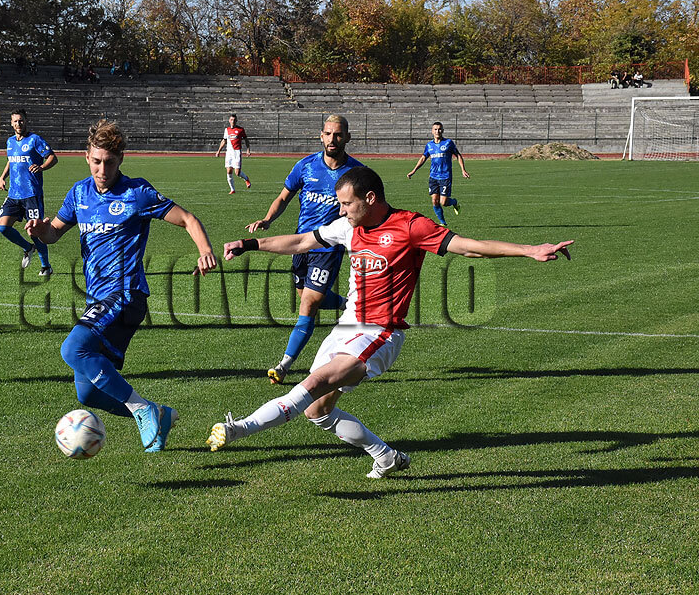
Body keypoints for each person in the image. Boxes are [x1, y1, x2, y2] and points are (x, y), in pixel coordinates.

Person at [209, 166, 573, 476]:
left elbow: (468, 247)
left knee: (314, 382)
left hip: (380, 333)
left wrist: (529, 250)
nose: (341, 209)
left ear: (370, 199)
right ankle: (385, 456)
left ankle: (238, 428)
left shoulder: (411, 226)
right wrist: (250, 244)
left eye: (346, 203)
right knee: (318, 411)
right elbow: (303, 241)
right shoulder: (348, 227)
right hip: (347, 326)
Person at [25, 119, 218, 452]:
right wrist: (41, 231)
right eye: (97, 161)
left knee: (73, 349)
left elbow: (187, 218)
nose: (102, 170)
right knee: (88, 393)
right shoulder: (79, 193)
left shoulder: (136, 193)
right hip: (98, 298)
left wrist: (205, 251)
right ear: (87, 157)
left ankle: (142, 410)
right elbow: (54, 232)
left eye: (110, 162)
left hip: (126, 294)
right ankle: (158, 414)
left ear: (121, 160)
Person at [244, 114, 362, 385]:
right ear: (321, 136)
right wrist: (267, 220)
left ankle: (284, 364)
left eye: (338, 135)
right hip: (300, 245)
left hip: (328, 248)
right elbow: (283, 197)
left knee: (308, 302)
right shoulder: (305, 166)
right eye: (328, 134)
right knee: (306, 296)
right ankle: (347, 305)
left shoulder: (356, 173)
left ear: (347, 137)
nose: (333, 139)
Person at [0, 109, 56, 274]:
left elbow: (52, 157)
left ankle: (46, 266)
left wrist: (42, 167)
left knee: (35, 232)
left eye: (21, 120)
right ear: (11, 123)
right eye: (15, 121)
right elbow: (11, 161)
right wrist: (2, 177)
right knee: (3, 227)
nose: (18, 124)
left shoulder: (35, 140)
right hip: (14, 194)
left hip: (31, 194)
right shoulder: (10, 141)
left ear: (26, 121)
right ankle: (28, 248)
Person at [406, 121, 469, 226]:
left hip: (445, 176)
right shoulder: (429, 145)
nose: (437, 131)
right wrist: (414, 170)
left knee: (443, 202)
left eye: (439, 129)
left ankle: (454, 202)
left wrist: (463, 170)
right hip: (433, 177)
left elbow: (458, 155)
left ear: (442, 130)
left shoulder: (448, 143)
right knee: (435, 201)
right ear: (432, 131)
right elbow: (423, 158)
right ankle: (443, 223)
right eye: (435, 129)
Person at [214, 113, 252, 194]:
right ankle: (232, 189)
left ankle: (246, 178)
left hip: (237, 152)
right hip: (229, 153)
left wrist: (248, 149)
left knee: (237, 173)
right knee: (229, 171)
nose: (233, 121)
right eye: (231, 120)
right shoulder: (227, 130)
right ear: (229, 120)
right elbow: (224, 141)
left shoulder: (240, 130)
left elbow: (246, 139)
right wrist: (218, 151)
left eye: (234, 120)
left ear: (236, 121)